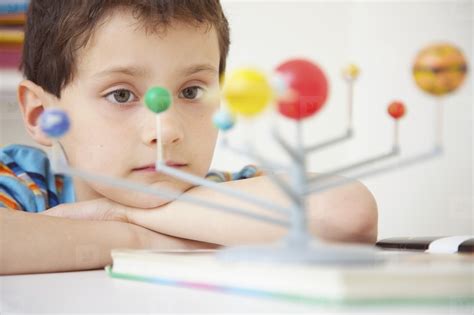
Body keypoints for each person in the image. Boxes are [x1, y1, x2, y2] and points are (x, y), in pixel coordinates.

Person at [0, 0, 377, 275]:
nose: (166, 130)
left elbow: (346, 214)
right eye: (121, 95)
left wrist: (122, 211)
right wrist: (139, 241)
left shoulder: (224, 190)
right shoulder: (24, 182)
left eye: (192, 92)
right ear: (41, 114)